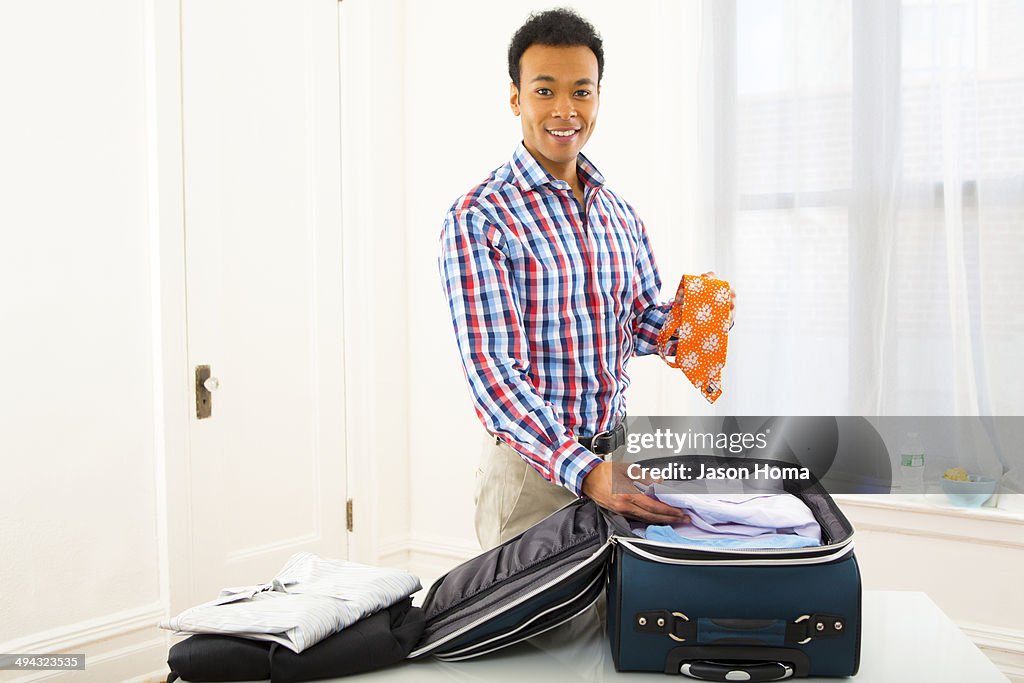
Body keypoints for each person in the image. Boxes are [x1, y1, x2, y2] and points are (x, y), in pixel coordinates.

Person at [438, 9, 734, 550]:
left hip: (616, 460)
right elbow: (493, 375)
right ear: (515, 98)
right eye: (544, 90)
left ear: (598, 96)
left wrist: (695, 322)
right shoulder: (479, 217)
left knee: (611, 625)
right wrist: (583, 470)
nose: (564, 110)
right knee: (536, 635)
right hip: (534, 477)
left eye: (581, 91)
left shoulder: (619, 213)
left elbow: (637, 323)